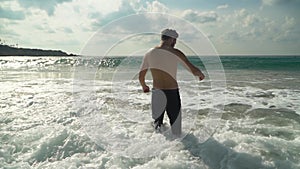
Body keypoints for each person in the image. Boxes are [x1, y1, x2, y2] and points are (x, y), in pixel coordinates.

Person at [139, 28, 205, 136]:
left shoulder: (149, 53)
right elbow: (193, 70)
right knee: (176, 127)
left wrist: (144, 86)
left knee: (157, 125)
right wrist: (200, 74)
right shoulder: (176, 52)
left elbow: (141, 75)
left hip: (157, 93)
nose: (175, 43)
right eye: (174, 40)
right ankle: (179, 149)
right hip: (172, 93)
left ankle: (157, 147)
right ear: (171, 39)